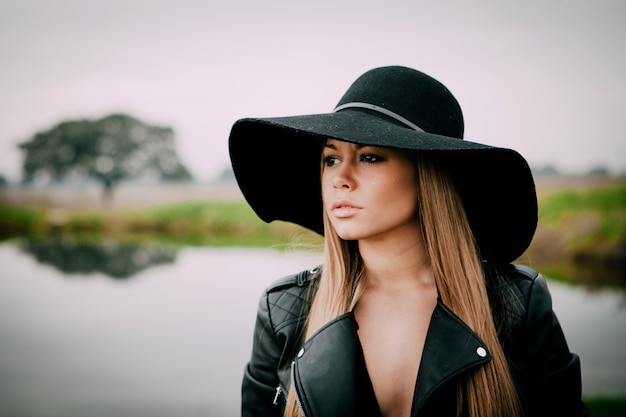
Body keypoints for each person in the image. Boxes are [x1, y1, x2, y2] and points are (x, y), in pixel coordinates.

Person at [229, 66, 587, 417]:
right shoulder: (285, 313)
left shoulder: (514, 305)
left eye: (369, 157)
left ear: (426, 175)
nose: (341, 178)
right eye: (330, 158)